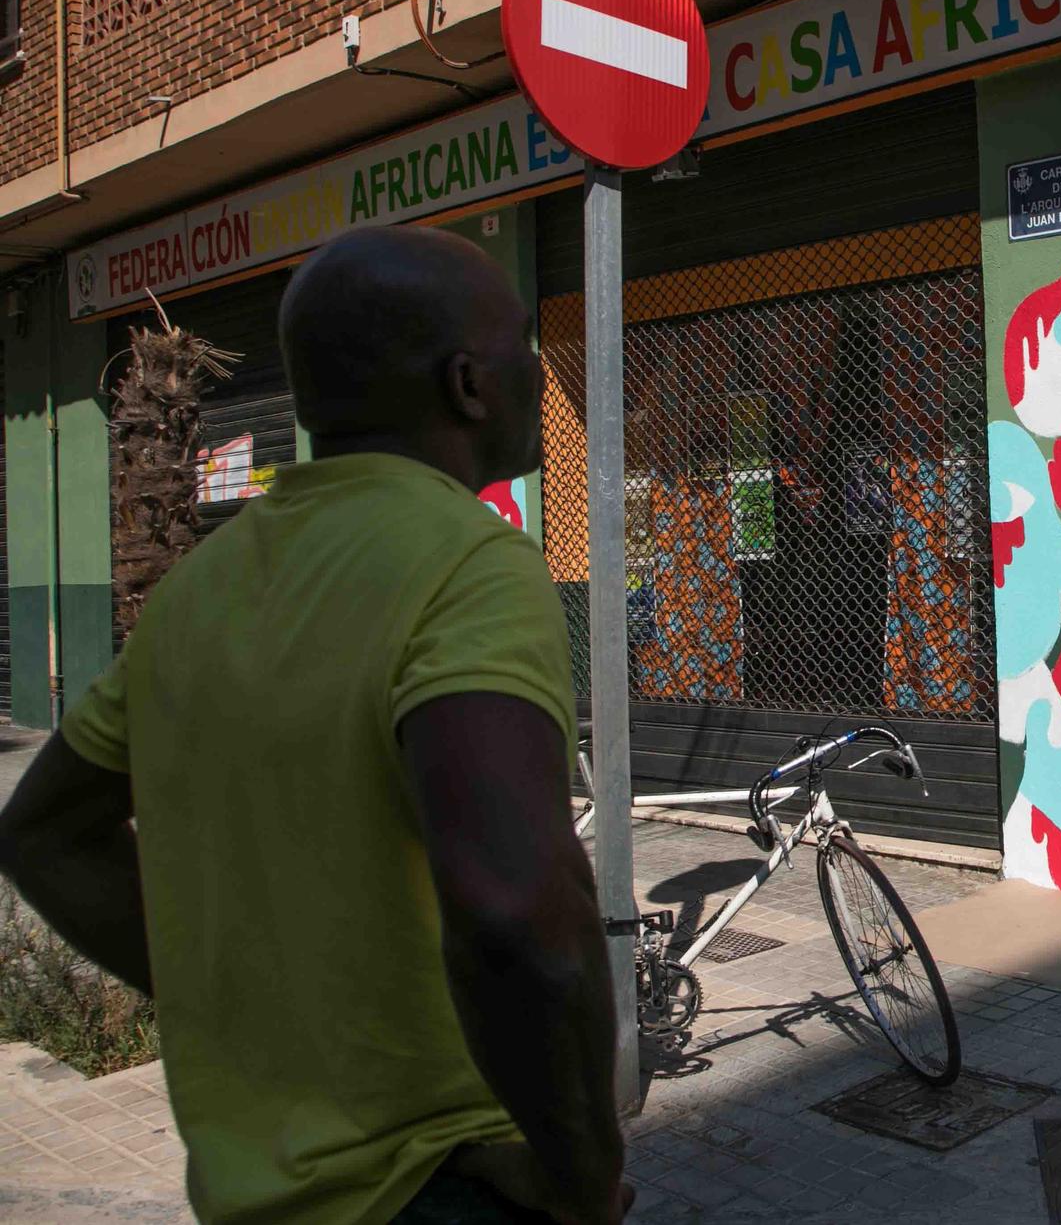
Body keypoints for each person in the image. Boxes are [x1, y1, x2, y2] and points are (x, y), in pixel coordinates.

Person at [0, 227, 630, 1223]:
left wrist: (233, 1003)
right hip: (432, 1190)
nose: (534, 365)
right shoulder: (469, 560)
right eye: (521, 342)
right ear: (468, 383)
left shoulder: (197, 588)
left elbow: (40, 832)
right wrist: (579, 1174)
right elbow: (520, 911)